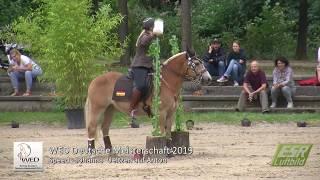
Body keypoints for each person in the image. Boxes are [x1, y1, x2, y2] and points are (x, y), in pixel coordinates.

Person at [129, 17, 158, 119]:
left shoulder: (150, 35)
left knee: (154, 84)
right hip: (139, 65)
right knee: (141, 85)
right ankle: (131, 109)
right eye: (154, 26)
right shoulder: (145, 36)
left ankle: (146, 104)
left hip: (148, 66)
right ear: (150, 27)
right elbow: (144, 43)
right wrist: (153, 35)